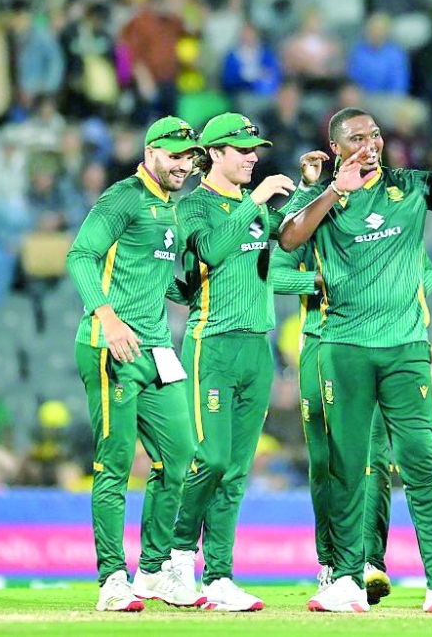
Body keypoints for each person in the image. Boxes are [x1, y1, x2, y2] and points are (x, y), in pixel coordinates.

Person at [279, 109, 432, 612]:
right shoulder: (325, 198)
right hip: (344, 348)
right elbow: (289, 240)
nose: (370, 144)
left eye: (375, 134)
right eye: (357, 138)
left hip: (406, 348)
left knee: (422, 463)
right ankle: (344, 579)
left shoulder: (412, 184)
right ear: (336, 147)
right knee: (348, 465)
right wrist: (335, 189)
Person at [66, 116, 206, 612]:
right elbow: (81, 256)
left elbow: (152, 278)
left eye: (189, 157)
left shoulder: (171, 207)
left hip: (154, 349)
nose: (182, 165)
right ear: (150, 153)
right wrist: (107, 316)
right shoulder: (123, 197)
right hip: (111, 347)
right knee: (115, 464)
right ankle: (111, 580)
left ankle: (149, 572)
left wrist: (189, 289)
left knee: (183, 453)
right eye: (173, 156)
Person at [272, 203, 432, 605]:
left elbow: (425, 271)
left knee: (376, 458)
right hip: (320, 342)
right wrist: (325, 281)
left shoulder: (388, 219)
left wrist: (389, 293)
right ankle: (330, 562)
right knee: (327, 460)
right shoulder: (310, 219)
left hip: (380, 342)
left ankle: (368, 561)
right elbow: (273, 273)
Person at [164, 113, 296, 612]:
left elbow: (271, 271)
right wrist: (256, 203)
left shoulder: (254, 208)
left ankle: (218, 576)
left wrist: (324, 286)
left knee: (237, 470)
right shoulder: (194, 206)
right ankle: (175, 558)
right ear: (213, 155)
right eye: (241, 149)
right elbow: (214, 253)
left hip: (256, 349)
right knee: (211, 459)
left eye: (254, 148)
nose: (253, 157)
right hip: (211, 345)